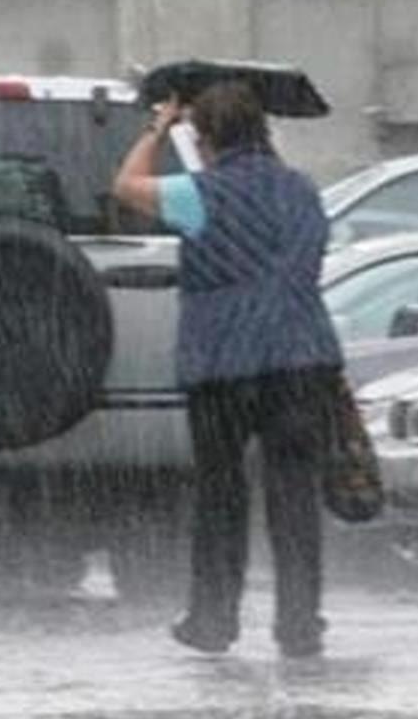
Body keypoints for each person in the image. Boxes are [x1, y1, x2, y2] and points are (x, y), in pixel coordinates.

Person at [112, 81, 343, 659]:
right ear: (263, 133)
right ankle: (299, 625)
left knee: (222, 494)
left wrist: (157, 128)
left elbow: (124, 186)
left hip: (223, 365)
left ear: (205, 137)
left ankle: (213, 621)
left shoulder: (198, 194)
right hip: (302, 358)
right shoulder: (301, 190)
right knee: (294, 495)